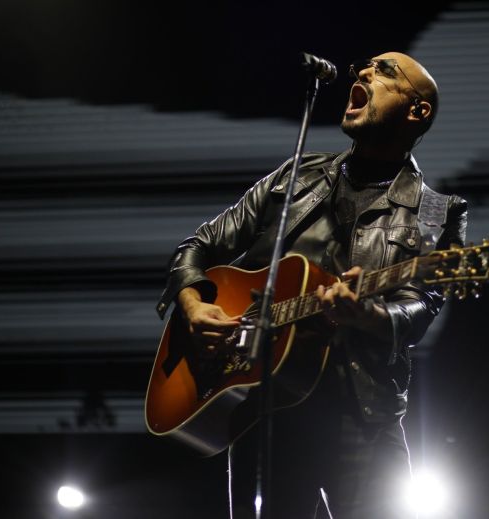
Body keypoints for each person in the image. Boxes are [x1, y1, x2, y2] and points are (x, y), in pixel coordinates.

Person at [155, 51, 468, 518]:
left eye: (383, 71)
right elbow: (198, 247)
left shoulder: (437, 213)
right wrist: (192, 304)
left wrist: (369, 314)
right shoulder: (294, 178)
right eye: (363, 66)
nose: (362, 72)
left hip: (363, 419)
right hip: (266, 412)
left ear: (417, 110)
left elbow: (421, 303)